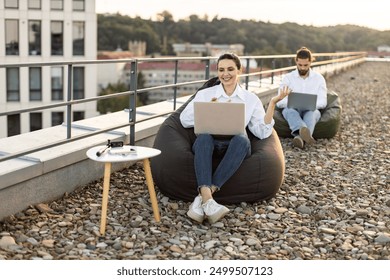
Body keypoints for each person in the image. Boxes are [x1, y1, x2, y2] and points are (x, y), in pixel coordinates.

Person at [180, 53, 289, 224]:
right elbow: (184, 120)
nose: (226, 74)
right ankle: (208, 200)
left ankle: (203, 197)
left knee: (242, 139)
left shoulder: (250, 99)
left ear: (239, 70)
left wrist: (273, 104)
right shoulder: (205, 94)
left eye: (230, 69)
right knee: (203, 139)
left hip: (235, 145)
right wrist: (208, 111)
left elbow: (262, 132)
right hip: (209, 143)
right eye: (221, 70)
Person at [276, 46, 327, 149]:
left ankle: (299, 138)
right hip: (292, 109)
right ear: (296, 61)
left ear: (311, 62)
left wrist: (310, 105)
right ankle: (305, 135)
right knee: (289, 111)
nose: (302, 68)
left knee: (312, 114)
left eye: (306, 65)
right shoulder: (288, 78)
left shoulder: (319, 78)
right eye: (300, 65)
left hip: (311, 110)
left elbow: (323, 101)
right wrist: (292, 103)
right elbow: (279, 101)